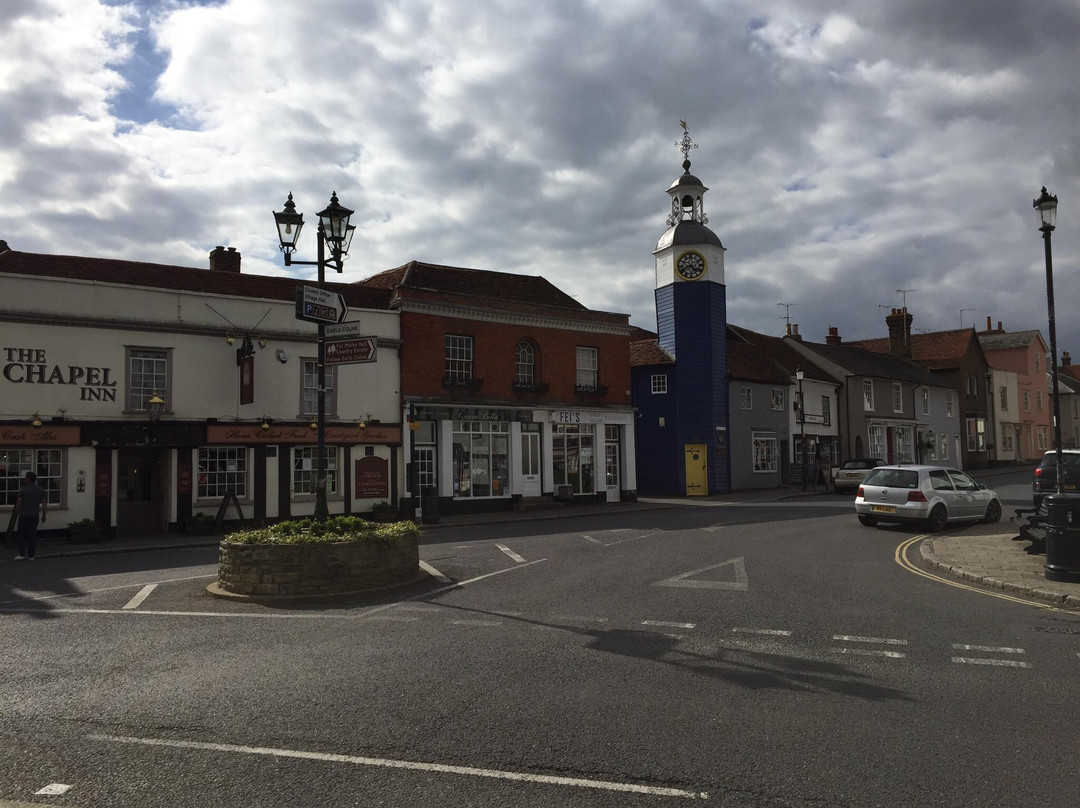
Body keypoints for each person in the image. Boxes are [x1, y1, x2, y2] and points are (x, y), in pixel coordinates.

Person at [14, 471, 47, 560]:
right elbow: (44, 504)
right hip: (34, 515)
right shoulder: (41, 490)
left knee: (22, 534)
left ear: (28, 479)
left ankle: (22, 554)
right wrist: (44, 515)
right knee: (32, 534)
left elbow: (18, 504)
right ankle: (31, 555)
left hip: (24, 515)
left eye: (25, 477)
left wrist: (17, 513)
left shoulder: (23, 490)